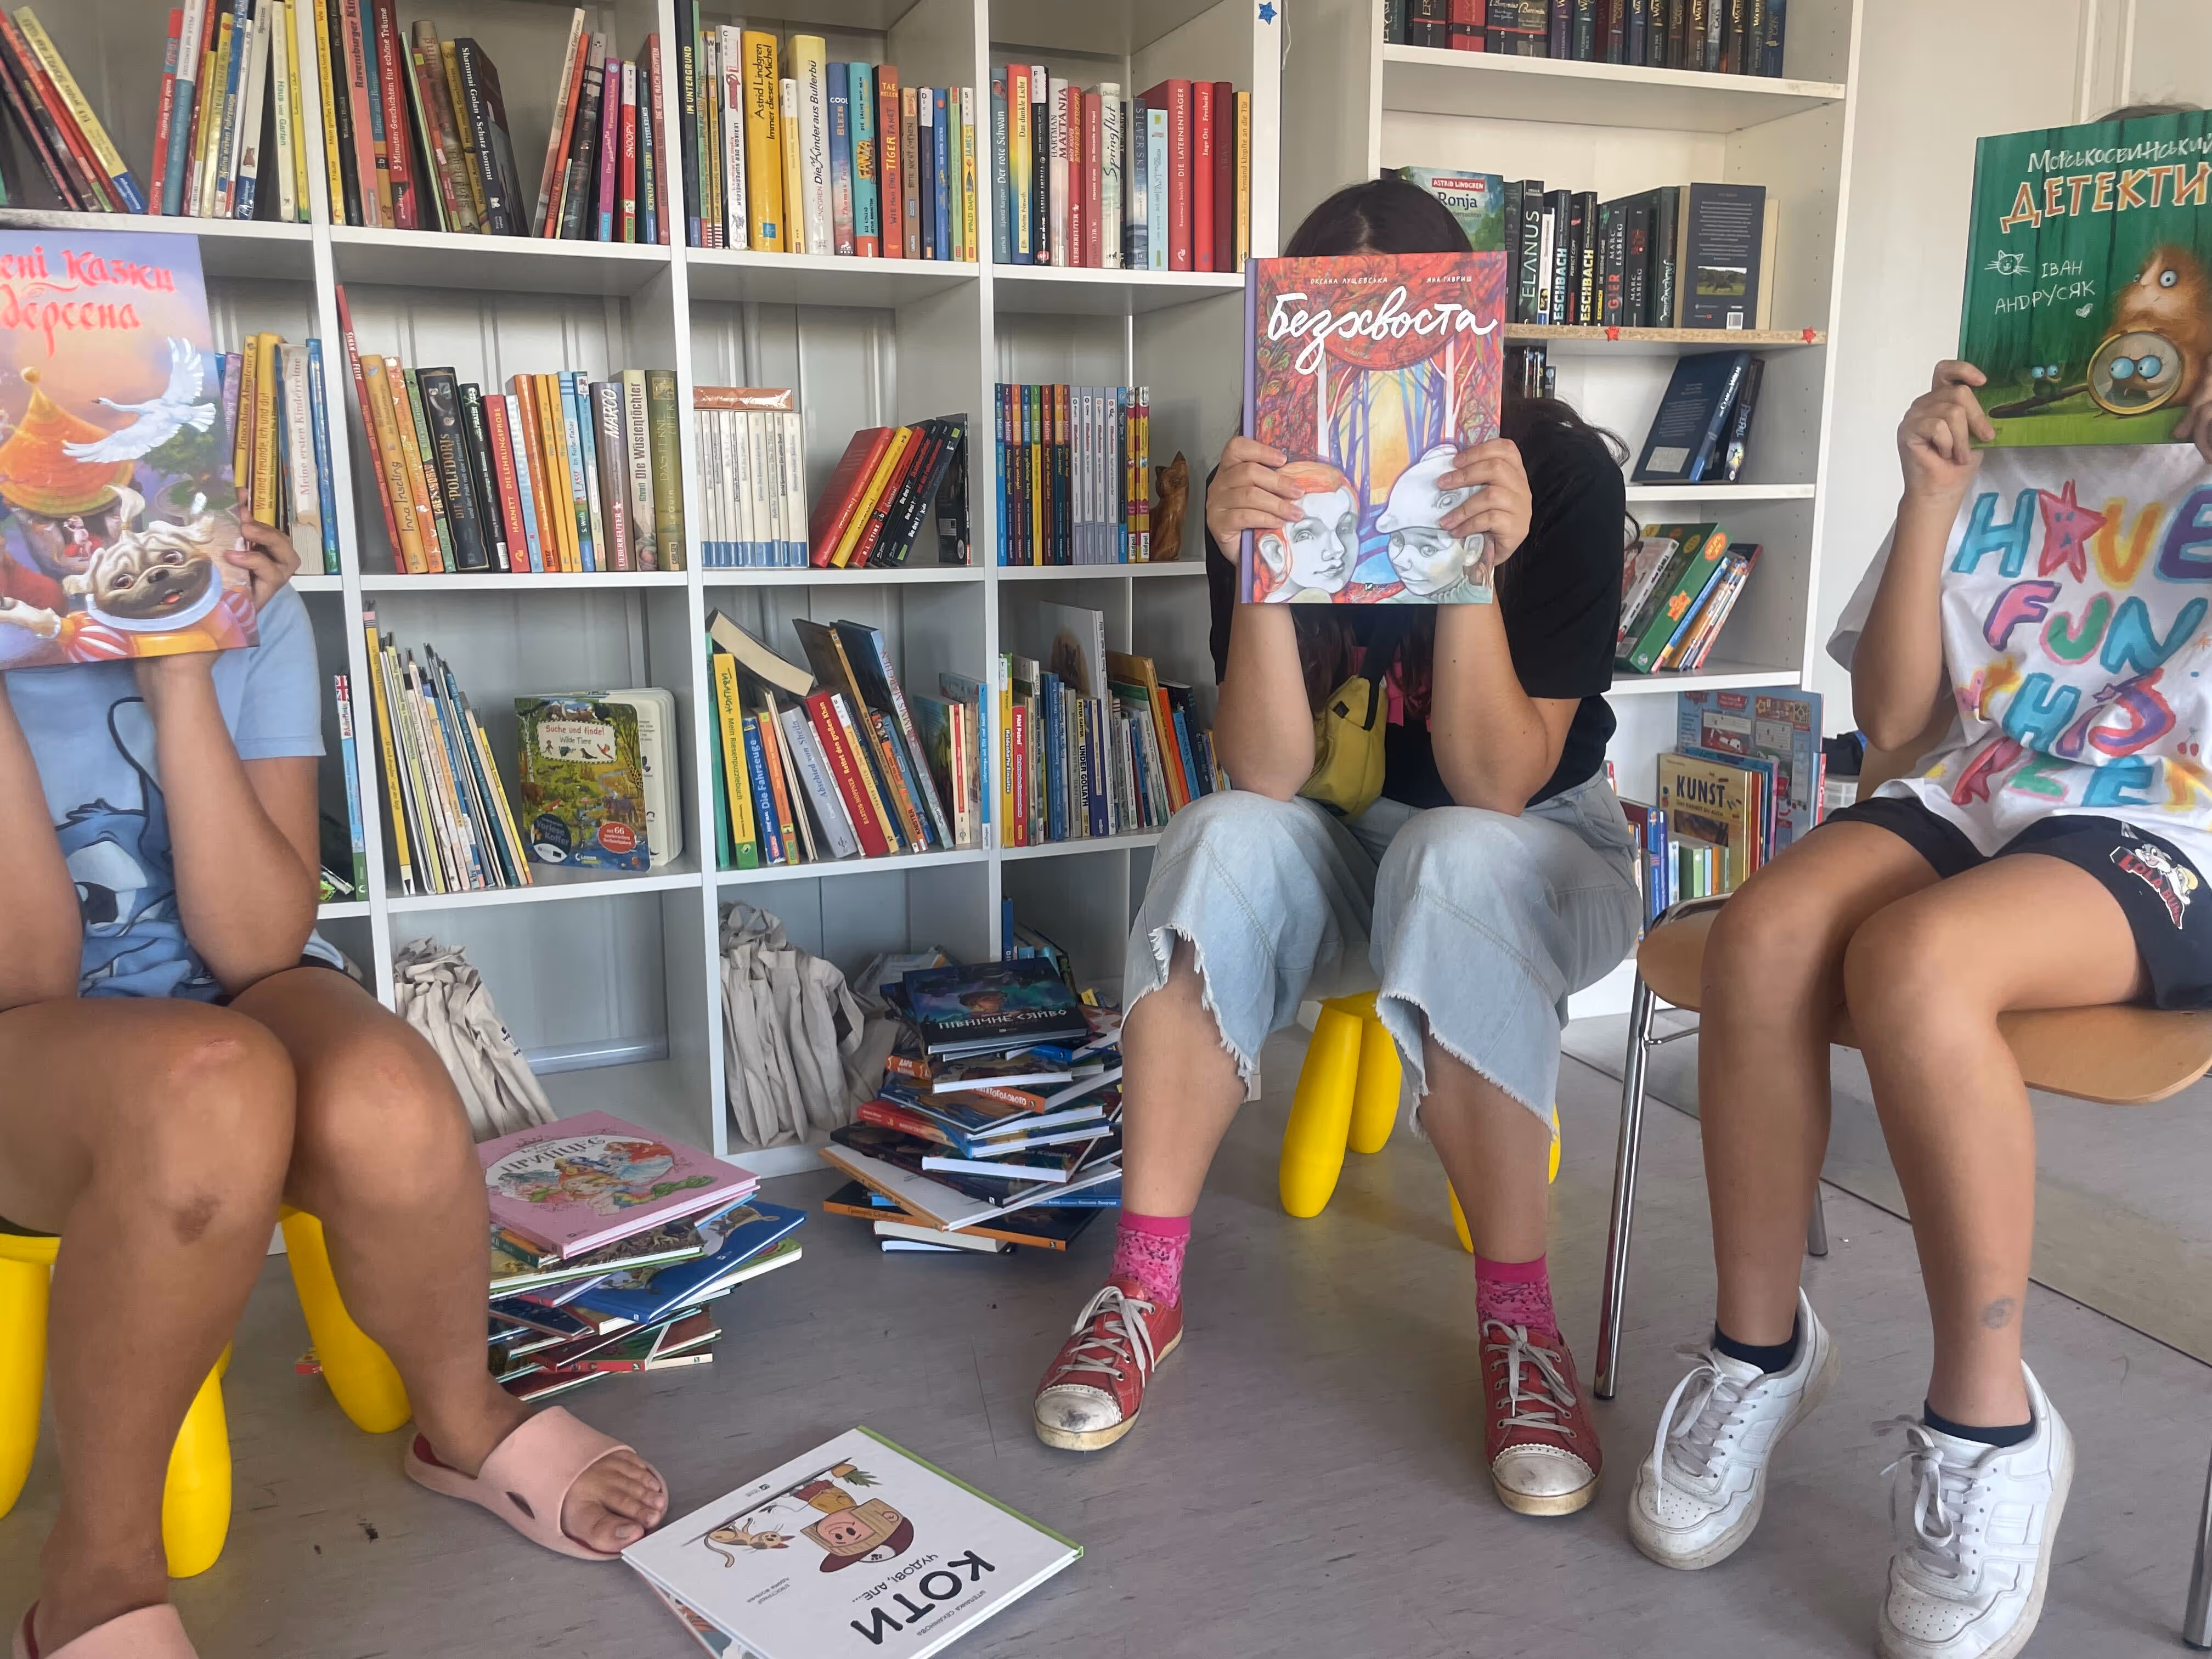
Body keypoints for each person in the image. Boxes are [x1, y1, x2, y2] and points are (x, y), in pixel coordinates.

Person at [1028, 177, 1643, 1516]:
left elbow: (1495, 782)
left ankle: (1521, 1328)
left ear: (1465, 339)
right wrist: (1256, 568)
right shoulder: (1266, 470)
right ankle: (1142, 1290)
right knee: (1216, 832)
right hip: (1348, 840)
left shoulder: (1557, 477)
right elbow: (1269, 773)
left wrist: (1469, 566)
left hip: (1539, 848)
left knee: (1451, 853)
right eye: (1335, 335)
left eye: (1407, 331)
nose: (1370, 372)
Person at [1630, 348, 2212, 1657]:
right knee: (1763, 935)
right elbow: (1894, 720)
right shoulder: (2010, 432)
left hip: (2177, 829)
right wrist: (1933, 493)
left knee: (1917, 963)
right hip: (1983, 792)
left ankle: (1989, 1424)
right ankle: (1759, 1352)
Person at [0, 517, 667, 1659]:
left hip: (243, 994)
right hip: (31, 1035)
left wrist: (182, 666)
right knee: (210, 1086)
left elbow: (260, 944)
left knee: (387, 1089)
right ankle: (99, 1568)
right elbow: (29, 978)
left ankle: (462, 1419)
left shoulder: (247, 604)